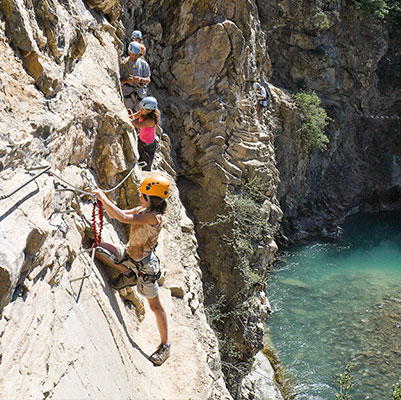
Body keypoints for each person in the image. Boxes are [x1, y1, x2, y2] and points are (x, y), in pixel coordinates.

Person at [92, 175, 171, 366]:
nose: (140, 196)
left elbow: (123, 217)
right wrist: (101, 200)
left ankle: (165, 346)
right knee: (99, 248)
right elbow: (115, 214)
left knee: (155, 307)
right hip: (129, 255)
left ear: (152, 199)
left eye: (143, 195)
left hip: (145, 267)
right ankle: (128, 274)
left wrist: (103, 197)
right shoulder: (144, 210)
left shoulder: (154, 218)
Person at [130, 96, 160, 171]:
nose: (141, 109)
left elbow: (137, 124)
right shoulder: (144, 113)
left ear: (149, 110)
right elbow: (133, 116)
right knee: (138, 158)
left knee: (146, 163)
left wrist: (126, 118)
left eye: (143, 108)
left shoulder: (151, 120)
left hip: (149, 145)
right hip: (141, 140)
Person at [120, 41, 151, 114]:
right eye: (133, 54)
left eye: (137, 55)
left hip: (140, 93)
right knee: (127, 113)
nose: (134, 56)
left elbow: (148, 80)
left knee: (140, 113)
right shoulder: (123, 64)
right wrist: (127, 80)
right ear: (129, 52)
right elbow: (118, 81)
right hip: (127, 93)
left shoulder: (143, 64)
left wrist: (140, 80)